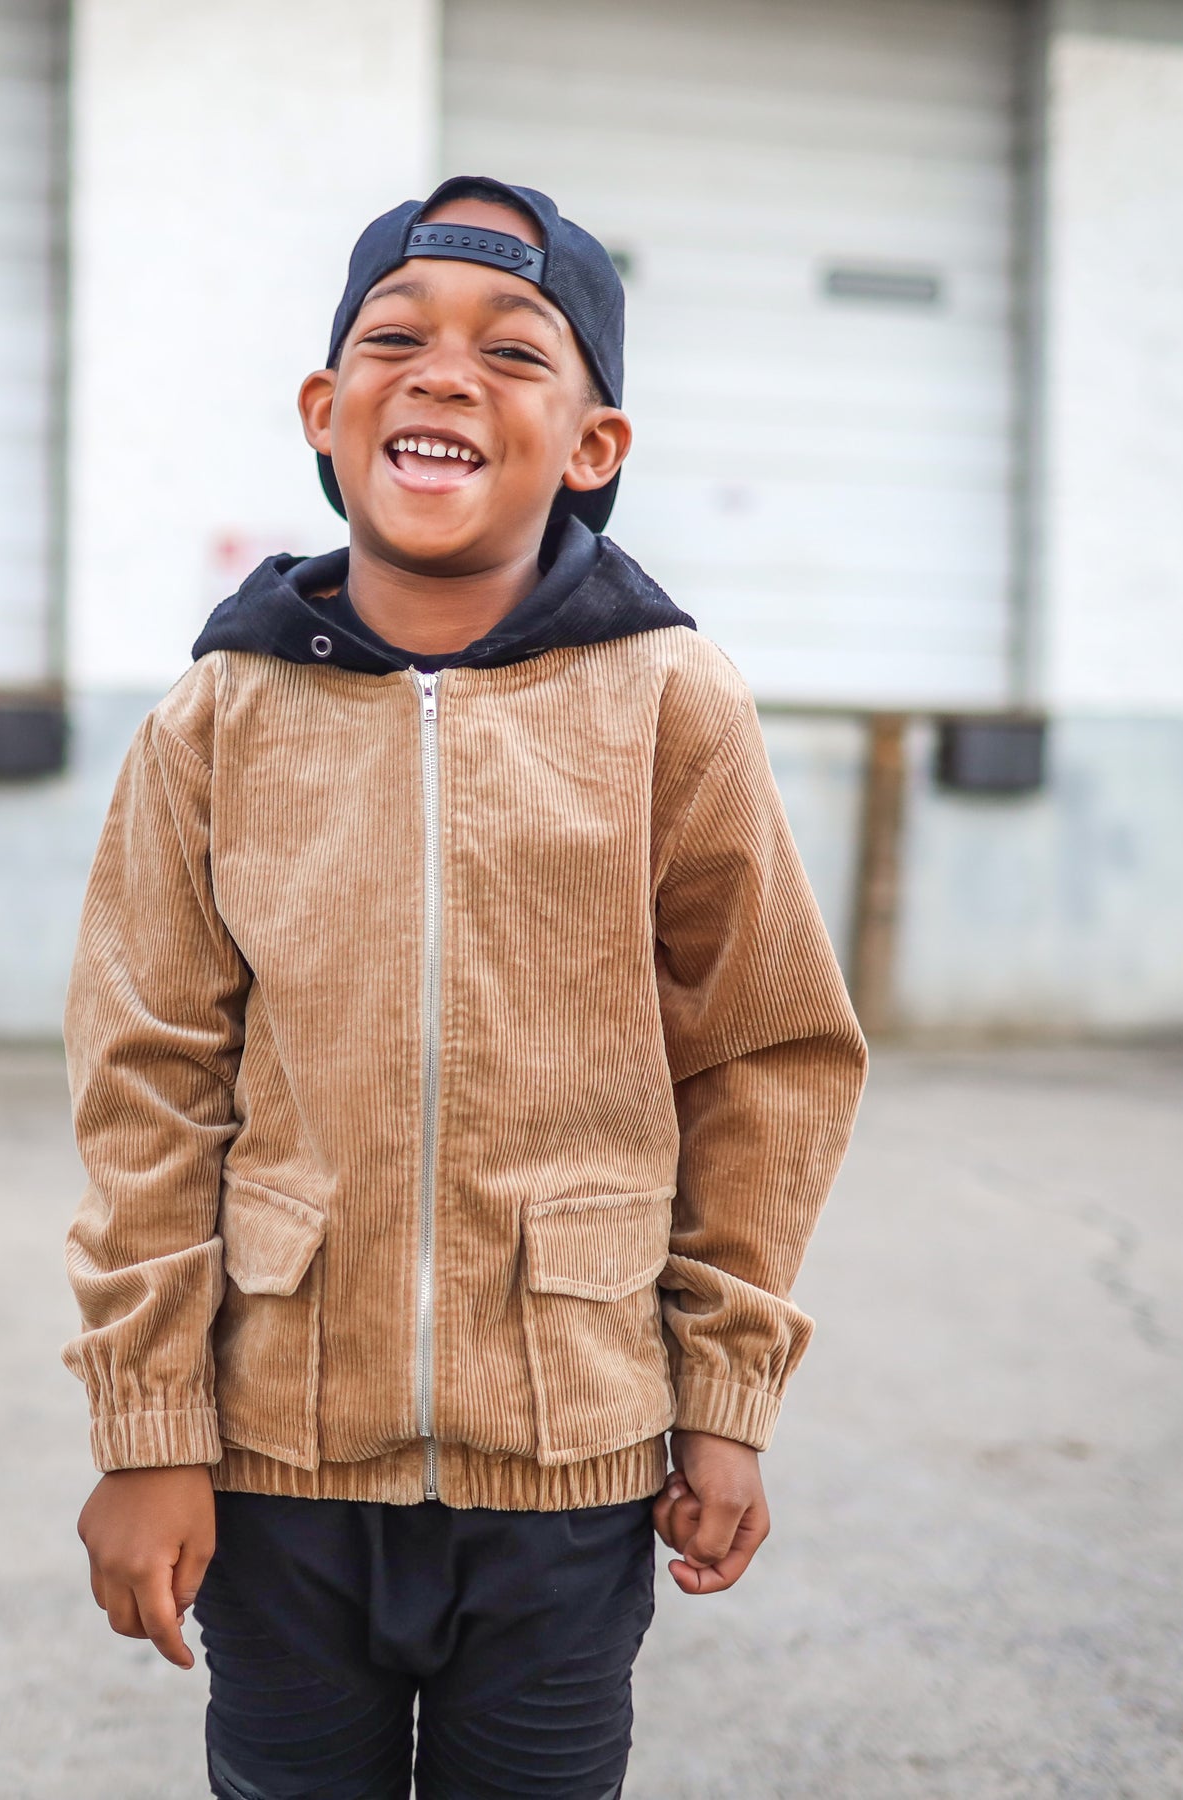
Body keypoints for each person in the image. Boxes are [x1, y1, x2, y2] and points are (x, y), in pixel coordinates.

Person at [61, 175, 867, 1800]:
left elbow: (765, 1055)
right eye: (395, 340)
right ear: (326, 410)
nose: (443, 373)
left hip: (572, 1455)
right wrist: (147, 1431)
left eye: (513, 351)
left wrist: (726, 1394)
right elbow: (148, 1080)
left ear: (593, 445)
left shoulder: (671, 702)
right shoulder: (216, 721)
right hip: (278, 1453)